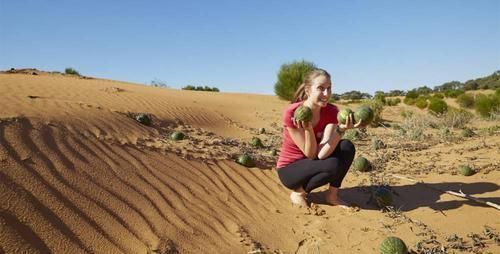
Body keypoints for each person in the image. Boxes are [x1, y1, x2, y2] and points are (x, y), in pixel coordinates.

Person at [276, 68, 362, 208]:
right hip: (290, 170)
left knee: (346, 146)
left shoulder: (331, 111)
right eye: (321, 89)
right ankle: (299, 193)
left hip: (315, 160)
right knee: (332, 165)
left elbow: (321, 154)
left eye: (329, 88)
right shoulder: (293, 113)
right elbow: (310, 154)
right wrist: (308, 129)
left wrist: (341, 129)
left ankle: (332, 195)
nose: (326, 94)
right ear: (308, 90)